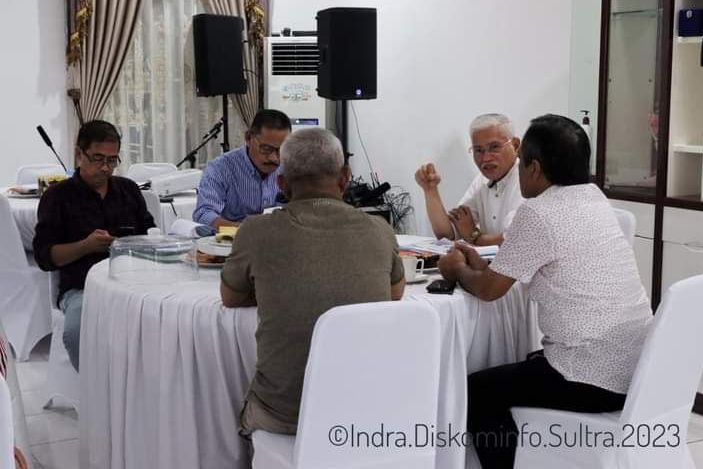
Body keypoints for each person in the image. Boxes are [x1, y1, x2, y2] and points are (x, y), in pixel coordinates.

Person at [438, 114, 653, 468]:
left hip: (589, 378)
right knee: (524, 366)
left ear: (534, 169)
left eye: (521, 163)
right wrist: (477, 264)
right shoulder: (593, 198)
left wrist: (456, 269)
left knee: (477, 391)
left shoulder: (537, 212)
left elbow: (490, 291)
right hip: (636, 368)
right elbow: (509, 273)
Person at [220, 127, 405, 435]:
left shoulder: (255, 231)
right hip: (367, 410)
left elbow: (230, 297)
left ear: (281, 184)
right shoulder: (379, 229)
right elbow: (394, 293)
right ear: (344, 178)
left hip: (285, 415)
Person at [33, 120, 155, 371]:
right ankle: (96, 393)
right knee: (77, 332)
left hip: (134, 282)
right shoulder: (57, 197)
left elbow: (149, 236)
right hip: (81, 288)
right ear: (79, 154)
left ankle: (144, 389)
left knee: (169, 321)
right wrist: (86, 246)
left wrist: (125, 244)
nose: (105, 168)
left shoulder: (128, 190)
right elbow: (45, 258)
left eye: (112, 160)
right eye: (98, 158)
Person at [415, 113, 524, 246]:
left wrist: (475, 236)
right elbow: (448, 234)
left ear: (515, 145)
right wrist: (430, 190)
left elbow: (516, 241)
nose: (486, 158)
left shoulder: (528, 181)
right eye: (478, 150)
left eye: (494, 147)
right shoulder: (481, 181)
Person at [193, 109, 292, 230]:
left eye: (281, 150)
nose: (274, 158)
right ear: (248, 139)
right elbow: (204, 214)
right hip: (232, 242)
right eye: (266, 149)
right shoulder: (220, 168)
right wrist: (248, 231)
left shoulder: (289, 167)